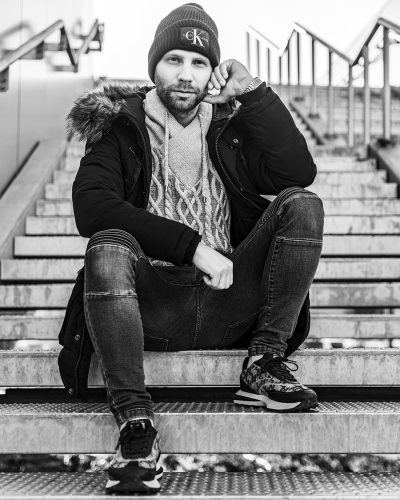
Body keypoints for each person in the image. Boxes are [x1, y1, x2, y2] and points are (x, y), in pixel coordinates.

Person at [64, 2, 324, 494]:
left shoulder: (231, 126)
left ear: (212, 72)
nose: (186, 74)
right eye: (174, 60)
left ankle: (263, 363)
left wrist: (254, 92)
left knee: (302, 205)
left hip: (230, 302)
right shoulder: (120, 126)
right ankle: (135, 422)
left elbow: (297, 172)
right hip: (152, 308)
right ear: (154, 66)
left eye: (200, 63)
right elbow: (92, 206)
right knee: (107, 243)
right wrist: (192, 247)